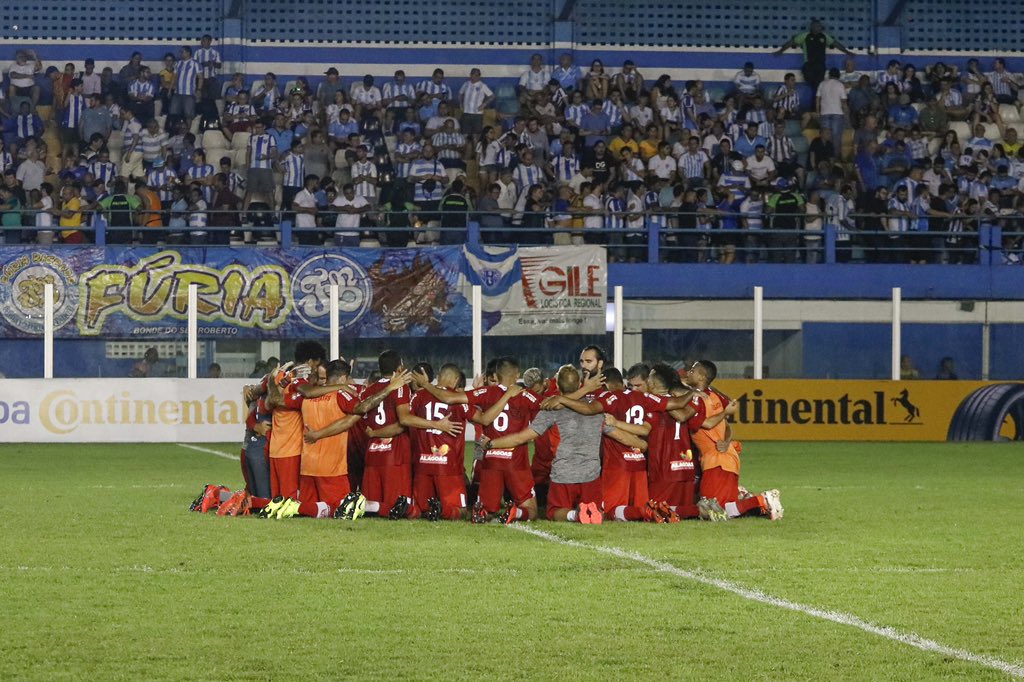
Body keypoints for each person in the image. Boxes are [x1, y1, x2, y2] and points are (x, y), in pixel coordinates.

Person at [482, 365, 622, 524]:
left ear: (557, 385)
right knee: (598, 512)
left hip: (563, 475)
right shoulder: (596, 407)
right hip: (591, 476)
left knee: (554, 513)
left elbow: (523, 437)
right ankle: (587, 511)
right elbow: (616, 432)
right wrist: (640, 443)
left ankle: (575, 515)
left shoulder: (552, 408)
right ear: (579, 384)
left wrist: (492, 443)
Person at [412, 357, 539, 523]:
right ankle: (517, 512)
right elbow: (549, 405)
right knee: (531, 510)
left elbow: (446, 400)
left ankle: (482, 512)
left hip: (489, 461)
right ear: (517, 376)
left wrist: (426, 385)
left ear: (497, 375)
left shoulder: (485, 393)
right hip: (515, 461)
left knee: (485, 509)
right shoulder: (526, 395)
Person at [684, 360, 783, 520]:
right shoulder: (712, 395)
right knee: (725, 508)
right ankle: (747, 498)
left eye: (693, 370)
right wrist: (727, 439)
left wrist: (726, 436)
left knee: (714, 510)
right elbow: (728, 422)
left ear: (702, 376)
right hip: (725, 459)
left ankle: (762, 499)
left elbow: (710, 423)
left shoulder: (697, 401)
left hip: (716, 461)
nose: (689, 372)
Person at [774, 18, 855, 91]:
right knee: (812, 82)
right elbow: (791, 42)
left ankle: (816, 105)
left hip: (820, 65)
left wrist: (847, 51)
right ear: (812, 27)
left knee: (818, 86)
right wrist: (781, 50)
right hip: (809, 64)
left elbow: (836, 44)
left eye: (820, 26)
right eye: (816, 26)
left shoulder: (824, 36)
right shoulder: (805, 36)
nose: (818, 28)